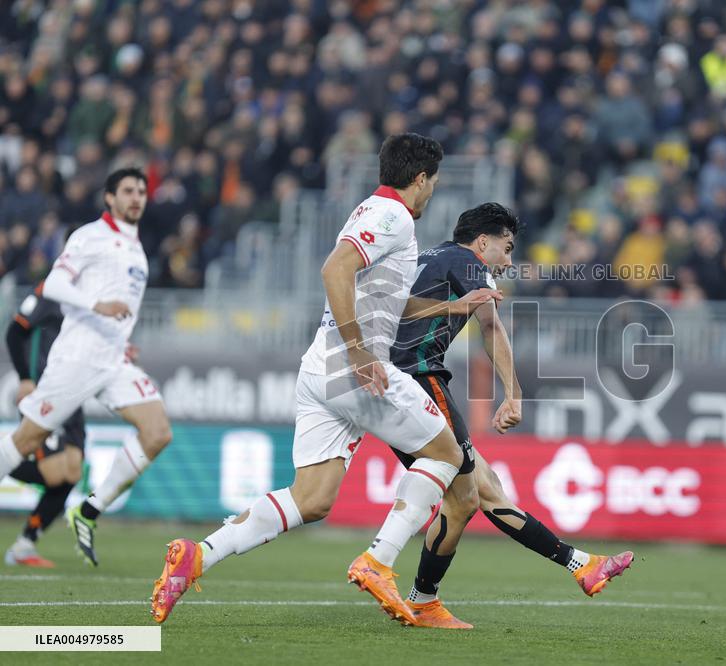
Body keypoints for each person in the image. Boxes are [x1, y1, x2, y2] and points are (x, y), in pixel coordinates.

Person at [149, 133, 499, 626]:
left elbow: (386, 300)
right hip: (352, 367)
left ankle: (199, 554)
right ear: (420, 179)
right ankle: (379, 561)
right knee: (447, 454)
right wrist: (359, 351)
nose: (432, 192)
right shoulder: (392, 215)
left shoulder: (373, 212)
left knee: (311, 499)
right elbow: (335, 269)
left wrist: (451, 306)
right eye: (433, 183)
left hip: (320, 368)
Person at [390, 202, 634, 629]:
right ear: (483, 242)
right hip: (419, 380)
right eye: (506, 248)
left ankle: (578, 564)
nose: (508, 260)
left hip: (397, 382)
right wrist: (514, 394)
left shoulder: (429, 256)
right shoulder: (467, 261)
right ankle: (416, 594)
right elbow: (491, 326)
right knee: (471, 496)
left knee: (478, 491)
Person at [0, 168, 171, 568]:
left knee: (157, 431)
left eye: (142, 192)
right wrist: (98, 307)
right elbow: (54, 284)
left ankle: (89, 510)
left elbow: (117, 305)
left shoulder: (137, 249)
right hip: (76, 358)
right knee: (25, 440)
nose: (136, 198)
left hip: (112, 360)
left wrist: (121, 339)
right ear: (109, 197)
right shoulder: (90, 235)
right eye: (128, 191)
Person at [3, 287, 86, 568]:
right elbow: (14, 332)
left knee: (72, 471)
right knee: (54, 473)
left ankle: (25, 545)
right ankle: (24, 546)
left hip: (74, 394)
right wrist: (26, 378)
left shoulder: (95, 294)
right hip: (45, 392)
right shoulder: (54, 288)